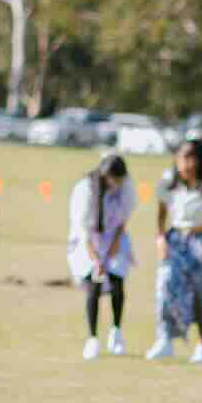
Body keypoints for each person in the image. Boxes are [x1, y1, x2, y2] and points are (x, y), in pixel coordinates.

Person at [149, 138, 202, 363]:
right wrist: (160, 238)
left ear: (199, 161)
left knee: (196, 293)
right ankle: (164, 340)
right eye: (181, 158)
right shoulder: (170, 182)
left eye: (190, 159)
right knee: (165, 285)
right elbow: (161, 212)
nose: (185, 164)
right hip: (176, 240)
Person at [68, 154, 136, 360]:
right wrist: (96, 259)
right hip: (87, 240)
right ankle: (92, 338)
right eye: (112, 179)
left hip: (114, 236)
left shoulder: (126, 185)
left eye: (119, 180)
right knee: (94, 284)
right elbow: (82, 229)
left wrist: (115, 244)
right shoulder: (85, 189)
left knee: (117, 282)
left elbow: (124, 217)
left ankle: (116, 332)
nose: (116, 183)